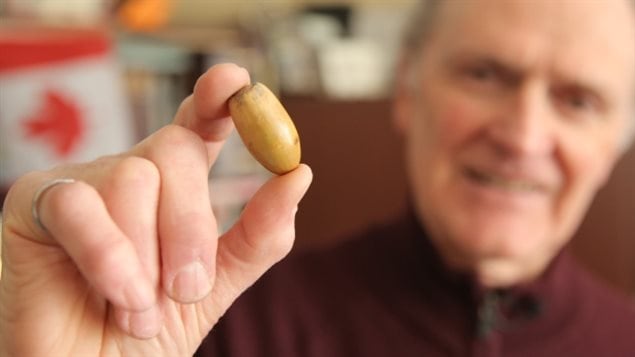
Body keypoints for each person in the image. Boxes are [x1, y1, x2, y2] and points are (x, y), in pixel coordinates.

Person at [1, 0, 634, 356]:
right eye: (485, 75)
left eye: (579, 100)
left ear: (616, 145)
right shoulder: (226, 328)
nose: (521, 137)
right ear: (407, 93)